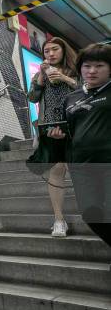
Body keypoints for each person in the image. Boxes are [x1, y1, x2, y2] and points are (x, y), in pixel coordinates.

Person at [48, 43, 111, 246]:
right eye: (87, 66)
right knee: (91, 214)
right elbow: (71, 132)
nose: (92, 71)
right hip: (82, 166)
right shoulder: (71, 98)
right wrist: (59, 136)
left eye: (99, 66)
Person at [27, 37, 78, 237]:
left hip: (76, 125)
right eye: (47, 51)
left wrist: (64, 78)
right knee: (56, 169)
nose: (51, 54)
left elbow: (88, 90)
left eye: (55, 49)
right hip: (50, 126)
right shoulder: (40, 75)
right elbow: (32, 98)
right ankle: (59, 220)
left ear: (64, 51)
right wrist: (41, 77)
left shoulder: (77, 70)